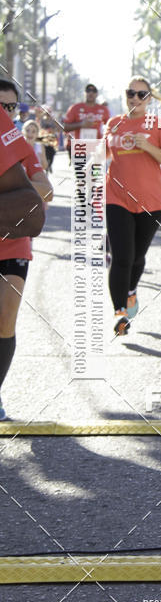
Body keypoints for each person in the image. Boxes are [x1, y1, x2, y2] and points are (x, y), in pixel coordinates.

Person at [106, 77, 161, 335]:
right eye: (131, 93)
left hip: (151, 203)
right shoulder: (114, 124)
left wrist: (146, 145)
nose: (135, 98)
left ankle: (131, 291)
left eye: (141, 94)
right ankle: (120, 314)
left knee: (137, 258)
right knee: (121, 257)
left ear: (149, 98)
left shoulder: (157, 124)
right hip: (116, 199)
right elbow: (103, 154)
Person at [0, 80, 48, 419]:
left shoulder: (15, 143)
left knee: (4, 323)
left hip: (13, 242)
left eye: (10, 107)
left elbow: (44, 190)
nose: (4, 113)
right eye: (0, 105)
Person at [63, 84, 110, 161]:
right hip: (79, 149)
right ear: (85, 93)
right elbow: (65, 127)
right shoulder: (75, 108)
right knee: (81, 173)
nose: (91, 93)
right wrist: (81, 124)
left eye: (93, 91)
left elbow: (109, 127)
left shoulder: (103, 110)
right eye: (88, 91)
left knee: (96, 173)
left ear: (97, 94)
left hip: (96, 150)